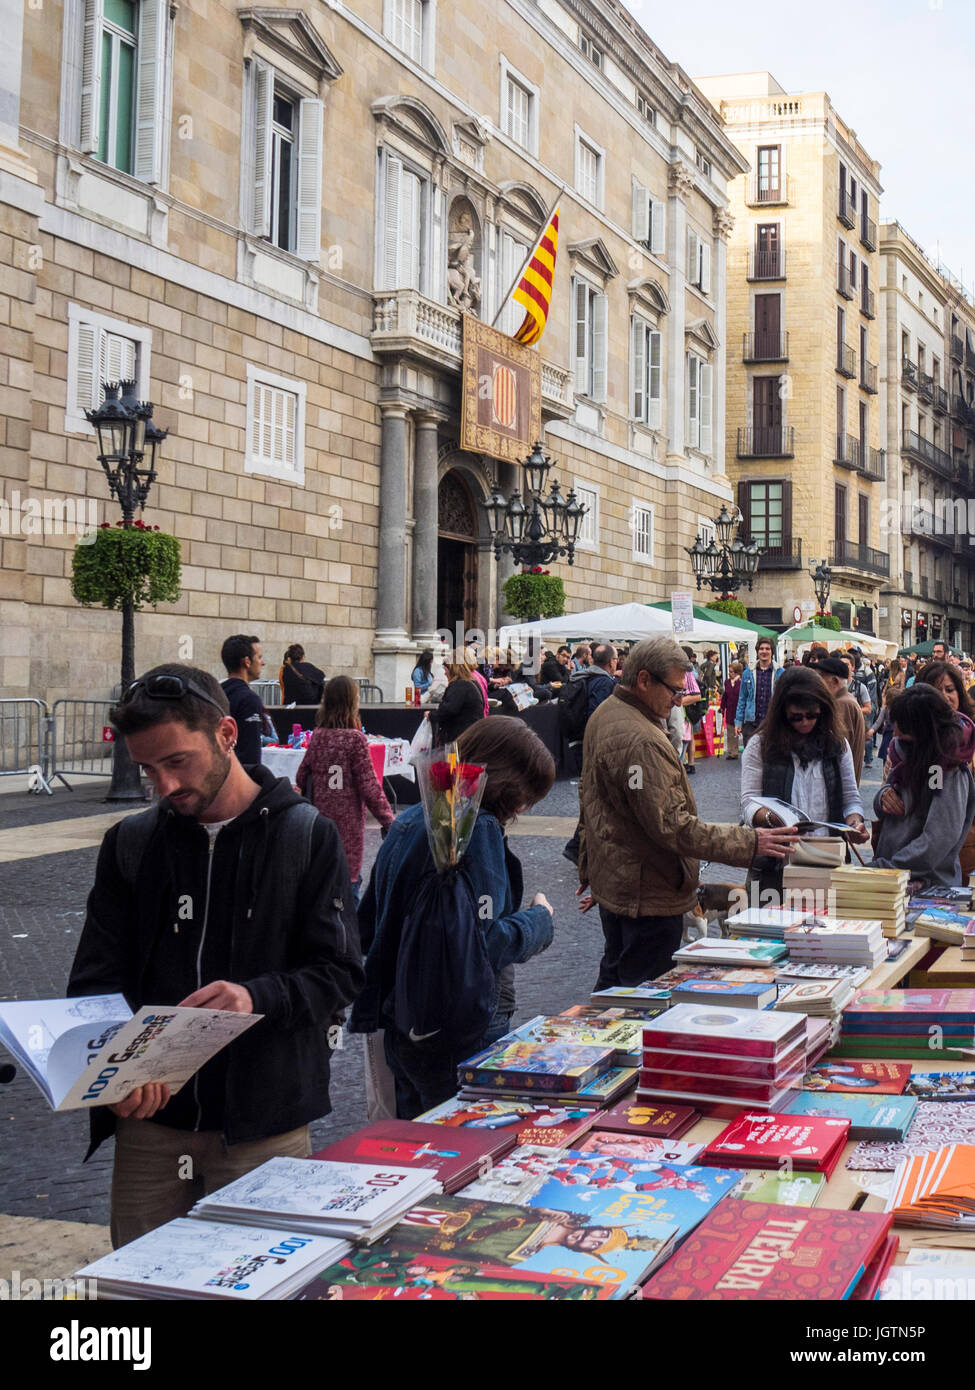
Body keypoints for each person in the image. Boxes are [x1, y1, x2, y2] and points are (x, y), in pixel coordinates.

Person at [67, 663, 363, 1248]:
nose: (165, 785)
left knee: (259, 1282)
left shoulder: (306, 835)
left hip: (262, 1121)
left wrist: (256, 996)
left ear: (227, 735)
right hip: (151, 1122)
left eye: (177, 762)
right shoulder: (130, 842)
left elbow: (342, 970)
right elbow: (96, 976)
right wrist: (117, 1069)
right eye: (147, 769)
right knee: (139, 1290)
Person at [352, 717, 556, 1117]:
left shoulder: (410, 820)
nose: (526, 807)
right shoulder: (475, 831)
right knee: (461, 1142)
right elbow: (485, 942)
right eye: (529, 794)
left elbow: (367, 924)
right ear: (509, 784)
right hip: (461, 1024)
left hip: (403, 1021)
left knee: (419, 1144)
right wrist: (540, 919)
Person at [576, 637, 799, 989]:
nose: (679, 700)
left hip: (620, 883)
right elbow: (673, 826)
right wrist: (749, 843)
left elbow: (591, 797)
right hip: (646, 892)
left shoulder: (606, 713)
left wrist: (590, 863)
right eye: (675, 691)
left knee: (616, 979)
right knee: (641, 991)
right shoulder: (643, 739)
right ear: (645, 680)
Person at [740, 667, 868, 901]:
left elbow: (851, 798)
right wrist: (771, 818)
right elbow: (749, 803)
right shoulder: (760, 745)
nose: (805, 722)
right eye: (796, 717)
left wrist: (855, 823)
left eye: (812, 715)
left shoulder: (837, 744)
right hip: (775, 867)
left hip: (828, 861)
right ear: (782, 714)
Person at [296, 675, 395, 896]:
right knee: (348, 888)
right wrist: (389, 821)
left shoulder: (318, 735)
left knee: (324, 881)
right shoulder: (355, 740)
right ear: (352, 702)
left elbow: (301, 775)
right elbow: (370, 788)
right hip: (348, 824)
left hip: (320, 822)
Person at [872, 684, 975, 886]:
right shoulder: (906, 751)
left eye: (902, 727)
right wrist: (883, 797)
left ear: (922, 730)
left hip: (926, 883)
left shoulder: (947, 769)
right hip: (894, 875)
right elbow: (896, 793)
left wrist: (887, 867)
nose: (895, 734)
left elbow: (938, 838)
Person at [911, 661, 975, 879]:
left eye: (950, 690)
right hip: (908, 861)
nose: (944, 697)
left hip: (942, 865)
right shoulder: (905, 743)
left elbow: (942, 830)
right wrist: (882, 798)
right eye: (936, 691)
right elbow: (893, 788)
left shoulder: (966, 747)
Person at [562, 644, 619, 863]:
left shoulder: (582, 676)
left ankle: (580, 846)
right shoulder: (604, 681)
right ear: (611, 661)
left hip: (578, 742)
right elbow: (599, 714)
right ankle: (577, 846)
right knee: (597, 796)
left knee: (595, 794)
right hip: (591, 745)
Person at [813, 656, 866, 783]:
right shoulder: (844, 701)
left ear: (835, 681)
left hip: (840, 784)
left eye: (820, 678)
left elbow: (837, 749)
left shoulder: (843, 704)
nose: (817, 684)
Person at [220, 634, 270, 766]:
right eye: (259, 657)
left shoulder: (217, 693)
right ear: (247, 662)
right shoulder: (249, 700)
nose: (263, 662)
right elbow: (250, 755)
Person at [736, 637, 783, 747]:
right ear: (757, 651)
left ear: (772, 651)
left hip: (772, 722)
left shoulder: (780, 673)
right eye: (761, 649)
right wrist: (738, 721)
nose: (764, 651)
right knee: (750, 760)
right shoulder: (748, 672)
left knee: (771, 759)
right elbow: (742, 698)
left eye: (767, 649)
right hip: (751, 722)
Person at [436, 657, 485, 745]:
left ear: (452, 669)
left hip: (459, 737)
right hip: (471, 734)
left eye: (445, 669)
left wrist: (432, 715)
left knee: (453, 758)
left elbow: (449, 709)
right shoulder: (472, 683)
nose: (445, 673)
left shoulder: (459, 685)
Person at [680, 647, 702, 774]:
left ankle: (689, 763)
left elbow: (696, 694)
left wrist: (676, 702)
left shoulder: (688, 672)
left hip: (685, 717)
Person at [720, 661, 743, 760]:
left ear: (737, 672)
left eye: (732, 672)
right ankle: (732, 752)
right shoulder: (727, 682)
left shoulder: (741, 682)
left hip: (739, 710)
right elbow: (725, 695)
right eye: (729, 671)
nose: (730, 673)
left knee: (743, 732)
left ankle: (746, 751)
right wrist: (722, 706)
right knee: (730, 731)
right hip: (730, 709)